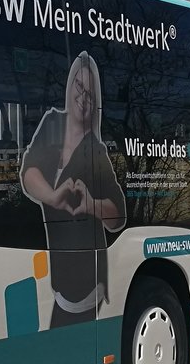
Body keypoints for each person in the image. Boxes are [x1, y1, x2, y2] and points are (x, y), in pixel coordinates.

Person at [20, 51, 126, 327]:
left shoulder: (96, 150)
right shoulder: (52, 122)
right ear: (69, 87)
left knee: (59, 345)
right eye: (79, 87)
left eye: (90, 94)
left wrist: (91, 204)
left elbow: (118, 217)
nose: (82, 98)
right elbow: (29, 173)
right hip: (62, 282)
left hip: (86, 280)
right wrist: (53, 196)